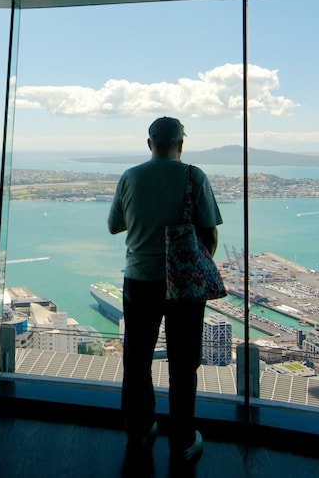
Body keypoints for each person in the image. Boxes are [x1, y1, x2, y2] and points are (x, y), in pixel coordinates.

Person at [106, 116, 222, 463]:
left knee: (137, 357)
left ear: (149, 144)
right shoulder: (193, 176)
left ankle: (139, 431)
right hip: (184, 285)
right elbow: (210, 235)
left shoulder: (130, 177)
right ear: (181, 144)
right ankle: (183, 440)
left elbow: (115, 225)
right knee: (184, 362)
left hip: (139, 279)